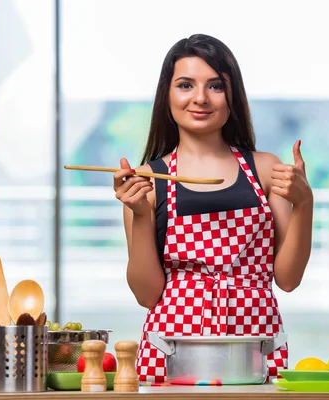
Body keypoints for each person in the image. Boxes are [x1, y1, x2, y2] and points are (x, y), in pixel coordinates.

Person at [112, 33, 314, 384]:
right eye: (185, 85)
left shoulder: (266, 170)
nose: (200, 98)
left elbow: (288, 279)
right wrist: (142, 215)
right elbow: (147, 294)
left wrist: (304, 203)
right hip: (172, 349)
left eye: (216, 86)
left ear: (232, 96)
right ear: (167, 96)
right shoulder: (146, 180)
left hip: (255, 345)